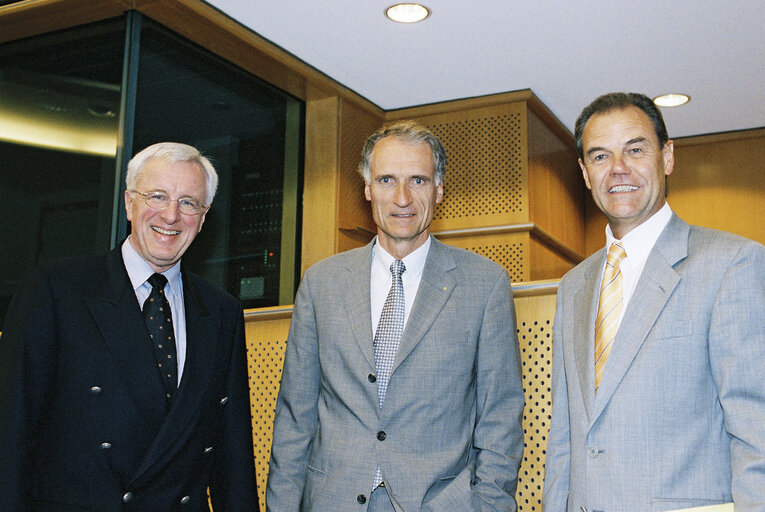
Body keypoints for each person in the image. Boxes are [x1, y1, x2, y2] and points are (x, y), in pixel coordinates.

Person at [266, 120, 524, 511]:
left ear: (439, 190)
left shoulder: (484, 285)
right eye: (387, 180)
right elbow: (294, 419)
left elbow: (500, 420)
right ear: (367, 188)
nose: (402, 198)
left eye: (418, 181)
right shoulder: (321, 284)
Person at [0, 142, 260, 511]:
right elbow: (11, 431)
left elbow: (232, 452)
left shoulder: (221, 312)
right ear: (129, 203)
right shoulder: (57, 289)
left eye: (188, 203)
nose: (171, 215)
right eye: (157, 196)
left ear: (203, 218)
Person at [543, 92, 765, 511]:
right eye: (600, 156)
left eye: (635, 149)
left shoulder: (731, 265)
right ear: (585, 173)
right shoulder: (573, 286)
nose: (618, 169)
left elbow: (757, 433)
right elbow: (565, 436)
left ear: (667, 157)